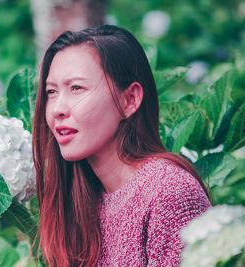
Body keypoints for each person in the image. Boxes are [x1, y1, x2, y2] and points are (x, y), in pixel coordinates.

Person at [32, 25, 211, 266]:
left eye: (76, 88)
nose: (57, 109)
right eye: (51, 92)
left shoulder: (169, 194)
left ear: (130, 100)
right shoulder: (83, 199)